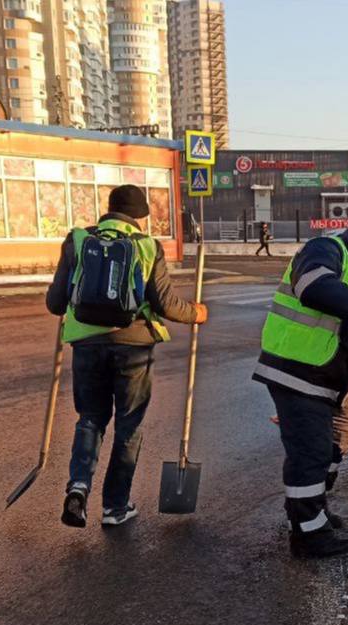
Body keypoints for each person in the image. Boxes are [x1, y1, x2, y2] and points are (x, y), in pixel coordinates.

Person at [46, 184, 208, 528]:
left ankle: (78, 487)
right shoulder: (147, 246)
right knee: (128, 425)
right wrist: (196, 313)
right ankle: (115, 507)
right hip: (133, 347)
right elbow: (165, 304)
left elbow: (55, 303)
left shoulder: (77, 241)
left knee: (90, 419)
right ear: (139, 216)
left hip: (86, 345)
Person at [253, 211, 348, 559]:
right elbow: (313, 287)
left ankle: (312, 509)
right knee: (310, 453)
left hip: (319, 377)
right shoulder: (325, 249)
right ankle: (308, 535)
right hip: (298, 371)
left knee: (329, 444)